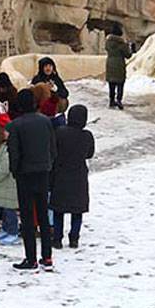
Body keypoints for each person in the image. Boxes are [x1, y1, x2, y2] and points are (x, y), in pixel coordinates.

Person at [7, 90, 57, 271]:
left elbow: (14, 153)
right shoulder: (45, 121)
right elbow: (53, 148)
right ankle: (47, 256)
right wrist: (48, 165)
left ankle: (31, 258)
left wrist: (15, 171)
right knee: (43, 215)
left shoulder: (15, 126)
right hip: (43, 171)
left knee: (27, 217)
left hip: (24, 174)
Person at [50, 105, 95, 249]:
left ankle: (57, 239)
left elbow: (53, 151)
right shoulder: (87, 136)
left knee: (58, 209)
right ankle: (74, 238)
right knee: (77, 210)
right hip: (79, 175)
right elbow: (89, 154)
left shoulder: (59, 133)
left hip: (60, 174)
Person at [0, 125, 21, 246]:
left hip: (8, 184)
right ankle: (6, 229)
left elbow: (5, 166)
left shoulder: (11, 148)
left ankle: (13, 232)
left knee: (9, 209)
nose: (4, 133)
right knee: (4, 207)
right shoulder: (5, 145)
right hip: (3, 185)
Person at [31, 57, 69, 126]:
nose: (48, 68)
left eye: (50, 66)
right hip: (41, 111)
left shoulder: (56, 78)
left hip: (55, 110)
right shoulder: (37, 79)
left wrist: (55, 89)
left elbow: (65, 93)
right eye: (46, 66)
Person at [105, 26, 133, 109]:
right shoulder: (121, 43)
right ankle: (119, 100)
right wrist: (129, 47)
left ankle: (111, 100)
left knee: (111, 83)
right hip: (119, 64)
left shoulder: (108, 42)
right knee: (120, 83)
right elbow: (128, 55)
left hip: (110, 63)